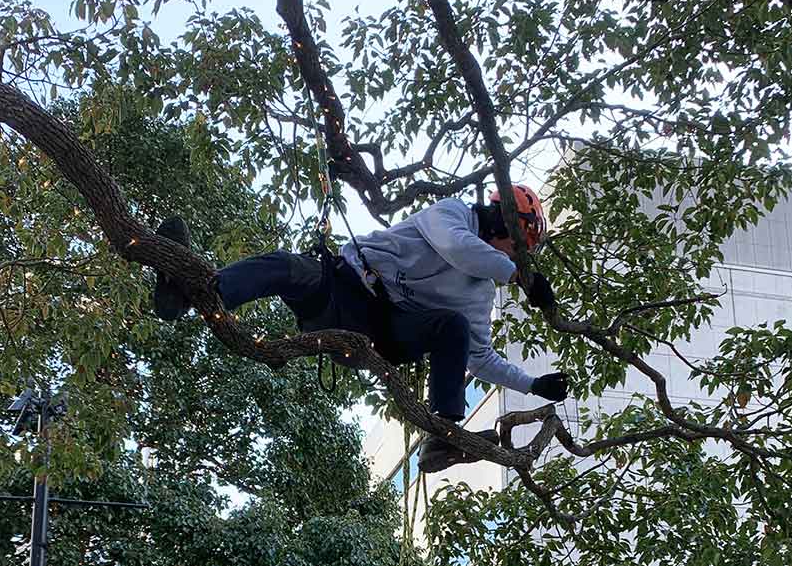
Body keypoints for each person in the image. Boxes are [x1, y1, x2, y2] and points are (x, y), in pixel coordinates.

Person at [152, 184, 570, 473]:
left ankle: (442, 435)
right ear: (503, 221)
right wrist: (519, 275)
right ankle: (189, 291)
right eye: (518, 246)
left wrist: (533, 384)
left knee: (453, 327)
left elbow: (480, 358)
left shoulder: (479, 292)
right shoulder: (452, 214)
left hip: (381, 332)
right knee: (286, 267)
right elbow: (457, 248)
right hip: (344, 286)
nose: (515, 258)